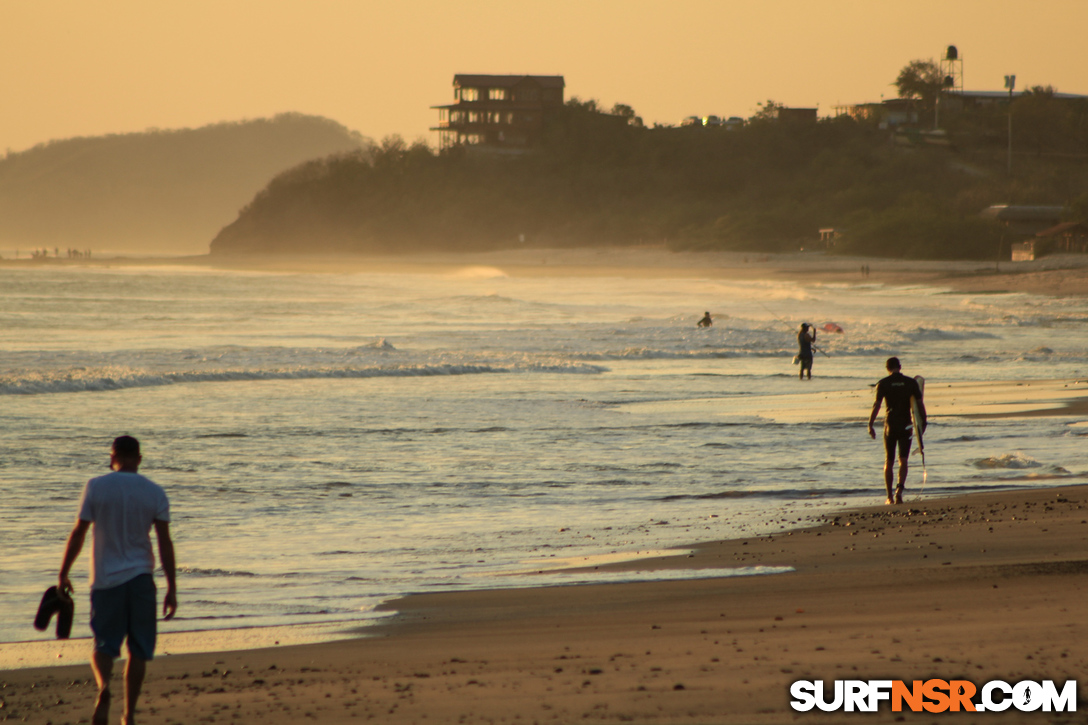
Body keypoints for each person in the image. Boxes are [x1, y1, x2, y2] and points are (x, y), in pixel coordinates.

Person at [58, 436, 177, 725]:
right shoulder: (154, 492)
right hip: (141, 579)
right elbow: (164, 542)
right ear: (139, 458)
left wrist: (63, 572)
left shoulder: (96, 486)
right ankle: (129, 716)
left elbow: (79, 532)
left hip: (105, 581)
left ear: (113, 458)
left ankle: (104, 688)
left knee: (103, 645)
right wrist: (172, 587)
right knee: (138, 650)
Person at [868, 357, 926, 505]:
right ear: (900, 367)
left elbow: (877, 405)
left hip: (891, 425)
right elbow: (920, 405)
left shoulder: (883, 384)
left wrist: (870, 424)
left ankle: (889, 496)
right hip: (906, 424)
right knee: (903, 459)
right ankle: (899, 491)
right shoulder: (910, 383)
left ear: (887, 368)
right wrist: (922, 424)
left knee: (889, 460)